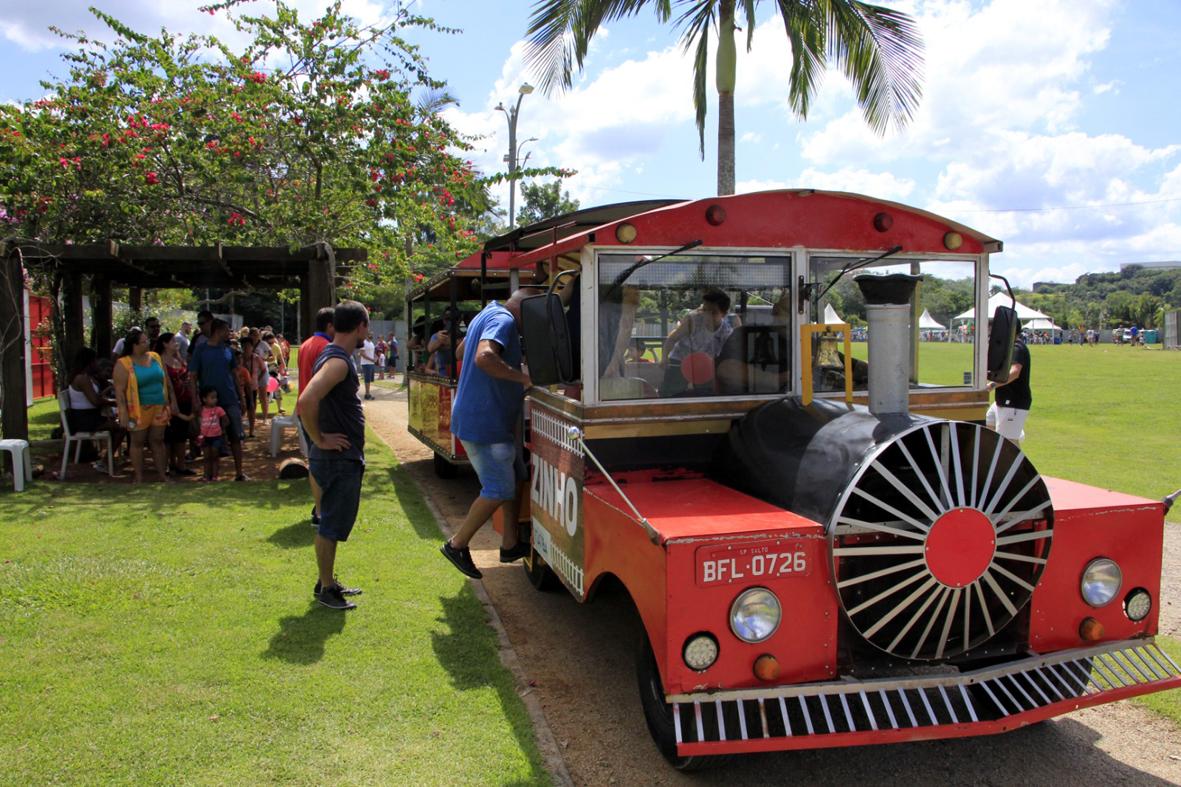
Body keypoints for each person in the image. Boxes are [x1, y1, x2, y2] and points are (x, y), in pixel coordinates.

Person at [439, 289, 538, 580]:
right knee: (498, 489)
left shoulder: (487, 313)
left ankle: (509, 543)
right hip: (485, 422)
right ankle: (456, 545)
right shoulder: (504, 320)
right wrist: (523, 378)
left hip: (481, 417)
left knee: (517, 475)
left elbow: (461, 352)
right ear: (524, 311)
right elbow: (483, 357)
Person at [299, 301, 369, 610]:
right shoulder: (338, 362)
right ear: (360, 327)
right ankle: (327, 589)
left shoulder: (334, 356)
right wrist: (320, 439)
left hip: (337, 457)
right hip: (337, 458)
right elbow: (307, 399)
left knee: (330, 522)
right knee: (330, 525)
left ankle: (326, 581)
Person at [112, 328, 175, 483]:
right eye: (144, 341)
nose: (148, 343)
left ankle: (162, 475)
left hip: (159, 406)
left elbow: (166, 380)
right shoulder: (123, 363)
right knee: (138, 441)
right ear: (135, 345)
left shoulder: (155, 357)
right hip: (137, 409)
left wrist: (171, 401)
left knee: (158, 440)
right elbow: (119, 391)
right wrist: (123, 412)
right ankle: (139, 476)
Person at [190, 319, 248, 481]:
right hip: (208, 401)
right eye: (226, 330)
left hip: (229, 398)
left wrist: (241, 397)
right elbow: (193, 376)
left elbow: (235, 375)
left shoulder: (228, 350)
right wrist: (195, 399)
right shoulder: (201, 350)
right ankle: (208, 474)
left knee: (236, 435)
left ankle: (239, 472)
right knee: (208, 439)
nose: (229, 333)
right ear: (218, 331)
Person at [660, 289, 736, 397]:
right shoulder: (692, 320)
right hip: (679, 361)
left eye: (713, 312)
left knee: (705, 396)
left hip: (704, 366)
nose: (707, 315)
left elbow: (726, 359)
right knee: (670, 394)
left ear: (723, 314)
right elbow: (672, 339)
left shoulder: (726, 333)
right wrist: (664, 357)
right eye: (704, 310)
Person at [297, 307, 335, 527]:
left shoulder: (306, 344)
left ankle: (320, 507)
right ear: (329, 326)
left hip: (306, 410)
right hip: (318, 411)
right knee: (322, 461)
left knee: (316, 459)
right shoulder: (325, 348)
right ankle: (321, 512)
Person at [65, 347, 120, 471]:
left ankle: (107, 459)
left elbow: (96, 397)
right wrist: (113, 403)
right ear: (88, 362)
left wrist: (107, 393)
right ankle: (105, 461)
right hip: (85, 420)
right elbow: (95, 401)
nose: (96, 364)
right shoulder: (82, 379)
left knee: (117, 425)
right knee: (121, 429)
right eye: (94, 361)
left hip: (90, 417)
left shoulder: (88, 377)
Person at [156, 332, 197, 476]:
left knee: (181, 434)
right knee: (168, 435)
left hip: (184, 399)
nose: (176, 343)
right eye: (173, 341)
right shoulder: (160, 360)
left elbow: (188, 376)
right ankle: (168, 464)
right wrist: (172, 401)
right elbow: (167, 383)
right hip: (169, 402)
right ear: (165, 344)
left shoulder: (179, 358)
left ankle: (181, 465)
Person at [987, 328, 1032, 444]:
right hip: (1002, 401)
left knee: (1008, 444)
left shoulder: (1017, 348)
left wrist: (993, 385)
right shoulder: (1009, 348)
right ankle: (1015, 431)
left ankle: (1014, 432)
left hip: (1014, 402)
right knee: (988, 424)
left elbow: (1015, 372)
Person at [197, 386, 228, 481]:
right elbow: (197, 420)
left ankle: (214, 475)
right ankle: (206, 475)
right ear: (204, 399)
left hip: (216, 436)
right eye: (212, 397)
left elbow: (226, 420)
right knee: (206, 457)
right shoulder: (201, 410)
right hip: (205, 437)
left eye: (215, 397)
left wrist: (222, 429)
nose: (215, 400)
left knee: (215, 456)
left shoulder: (219, 409)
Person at [235, 339, 261, 439]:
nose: (246, 349)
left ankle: (251, 430)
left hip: (250, 387)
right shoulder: (239, 359)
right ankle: (239, 431)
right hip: (239, 391)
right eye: (244, 346)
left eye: (248, 346)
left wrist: (257, 379)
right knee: (240, 411)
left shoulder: (255, 358)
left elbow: (263, 370)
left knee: (251, 408)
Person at [356, 333, 377, 400]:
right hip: (366, 364)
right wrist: (372, 359)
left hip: (371, 363)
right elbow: (362, 354)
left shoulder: (371, 343)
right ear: (367, 335)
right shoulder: (363, 343)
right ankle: (367, 394)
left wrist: (376, 357)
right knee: (367, 379)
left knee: (369, 380)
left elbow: (373, 352)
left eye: (371, 334)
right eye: (370, 334)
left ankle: (367, 393)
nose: (371, 335)